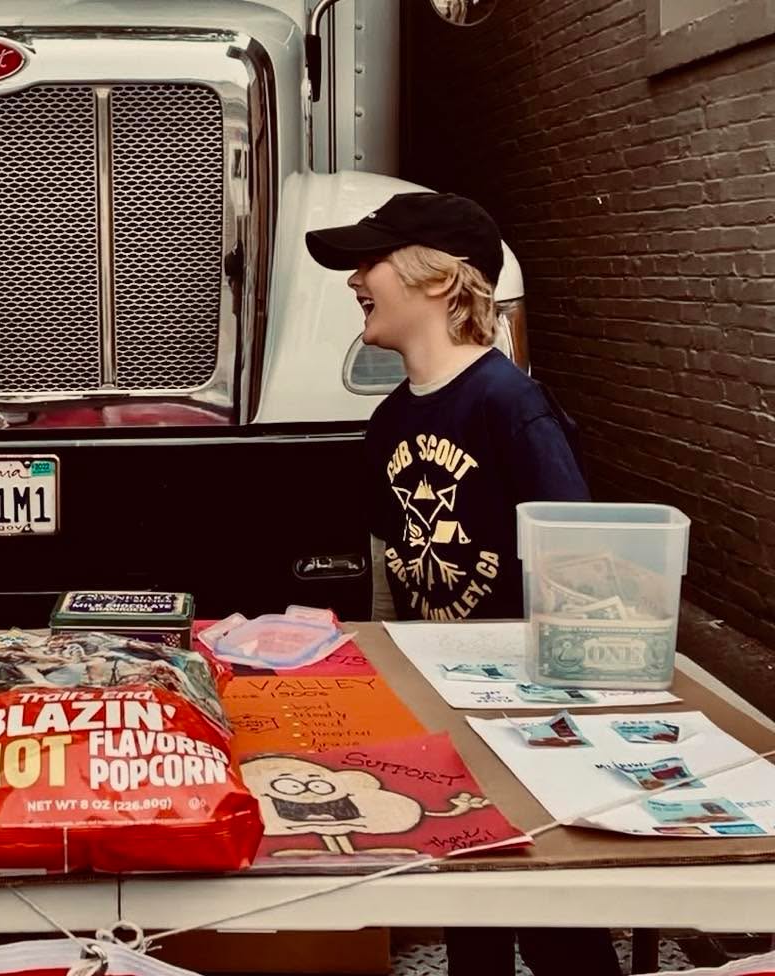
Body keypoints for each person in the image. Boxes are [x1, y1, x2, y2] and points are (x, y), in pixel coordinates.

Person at [305, 192, 619, 976]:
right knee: (467, 896)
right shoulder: (388, 420)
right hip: (439, 697)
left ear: (439, 280)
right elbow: (391, 561)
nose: (354, 280)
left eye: (368, 263)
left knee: (554, 918)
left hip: (524, 708)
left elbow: (577, 566)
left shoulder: (510, 405)